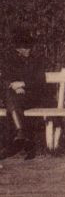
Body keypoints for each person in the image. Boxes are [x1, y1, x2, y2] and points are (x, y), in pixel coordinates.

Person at [0, 28, 44, 160]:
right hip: (16, 96)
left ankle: (19, 136)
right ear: (17, 49)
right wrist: (14, 87)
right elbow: (5, 78)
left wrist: (23, 84)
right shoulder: (10, 61)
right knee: (10, 96)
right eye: (24, 47)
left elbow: (40, 81)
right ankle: (21, 135)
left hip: (32, 96)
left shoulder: (36, 61)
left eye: (28, 47)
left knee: (10, 100)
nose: (27, 50)